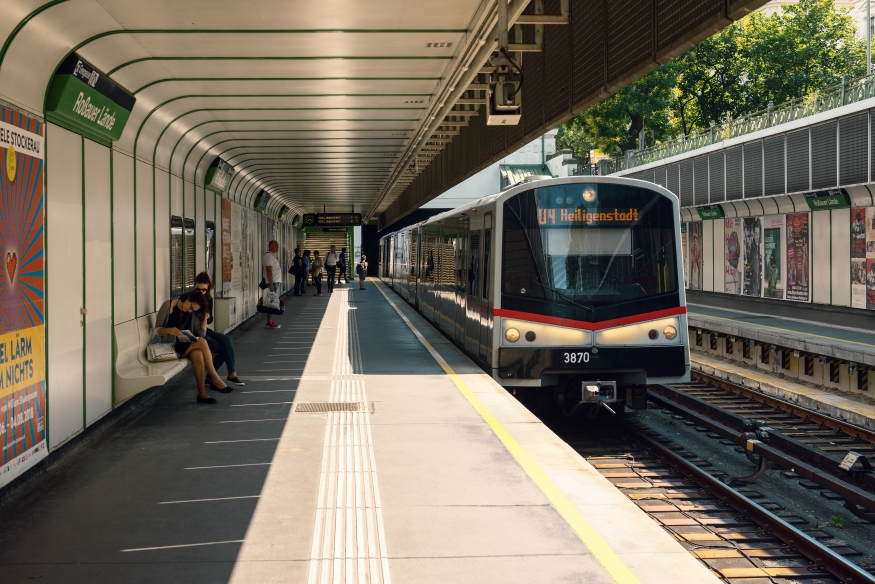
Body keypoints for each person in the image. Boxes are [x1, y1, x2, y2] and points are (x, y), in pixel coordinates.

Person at [156, 291, 230, 404]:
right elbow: (156, 331)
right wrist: (168, 330)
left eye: (193, 310)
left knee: (199, 355)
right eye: (190, 307)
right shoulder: (168, 305)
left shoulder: (191, 312)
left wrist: (204, 317)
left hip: (183, 345)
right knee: (202, 342)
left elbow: (201, 333)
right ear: (188, 298)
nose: (190, 311)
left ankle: (202, 394)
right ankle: (215, 378)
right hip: (168, 347)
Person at [195, 272, 244, 387]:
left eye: (203, 290)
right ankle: (215, 376)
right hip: (196, 332)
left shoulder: (208, 299)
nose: (201, 292)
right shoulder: (191, 298)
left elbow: (211, 319)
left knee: (227, 340)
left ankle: (232, 373)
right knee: (224, 348)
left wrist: (207, 316)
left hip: (206, 329)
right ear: (194, 285)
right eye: (198, 289)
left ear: (208, 288)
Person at [262, 240, 282, 329]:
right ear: (270, 246)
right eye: (276, 246)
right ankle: (268, 322)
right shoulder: (268, 256)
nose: (278, 247)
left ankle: (269, 321)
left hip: (274, 282)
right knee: (271, 302)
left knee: (272, 302)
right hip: (272, 282)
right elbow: (269, 270)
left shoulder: (272, 256)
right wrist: (271, 284)